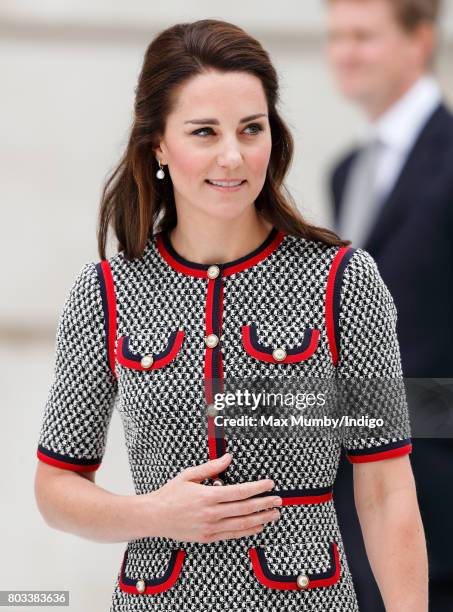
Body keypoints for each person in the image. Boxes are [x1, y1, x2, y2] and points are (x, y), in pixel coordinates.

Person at [34, 19, 427, 612]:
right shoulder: (106, 291)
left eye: (251, 128)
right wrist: (153, 514)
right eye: (203, 132)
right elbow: (56, 487)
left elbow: (386, 487)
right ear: (159, 145)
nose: (232, 155)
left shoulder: (343, 279)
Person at [326, 0, 453, 610]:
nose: (343, 53)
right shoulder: (346, 172)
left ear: (419, 39)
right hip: (350, 502)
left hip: (440, 497)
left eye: (362, 36)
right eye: (335, 37)